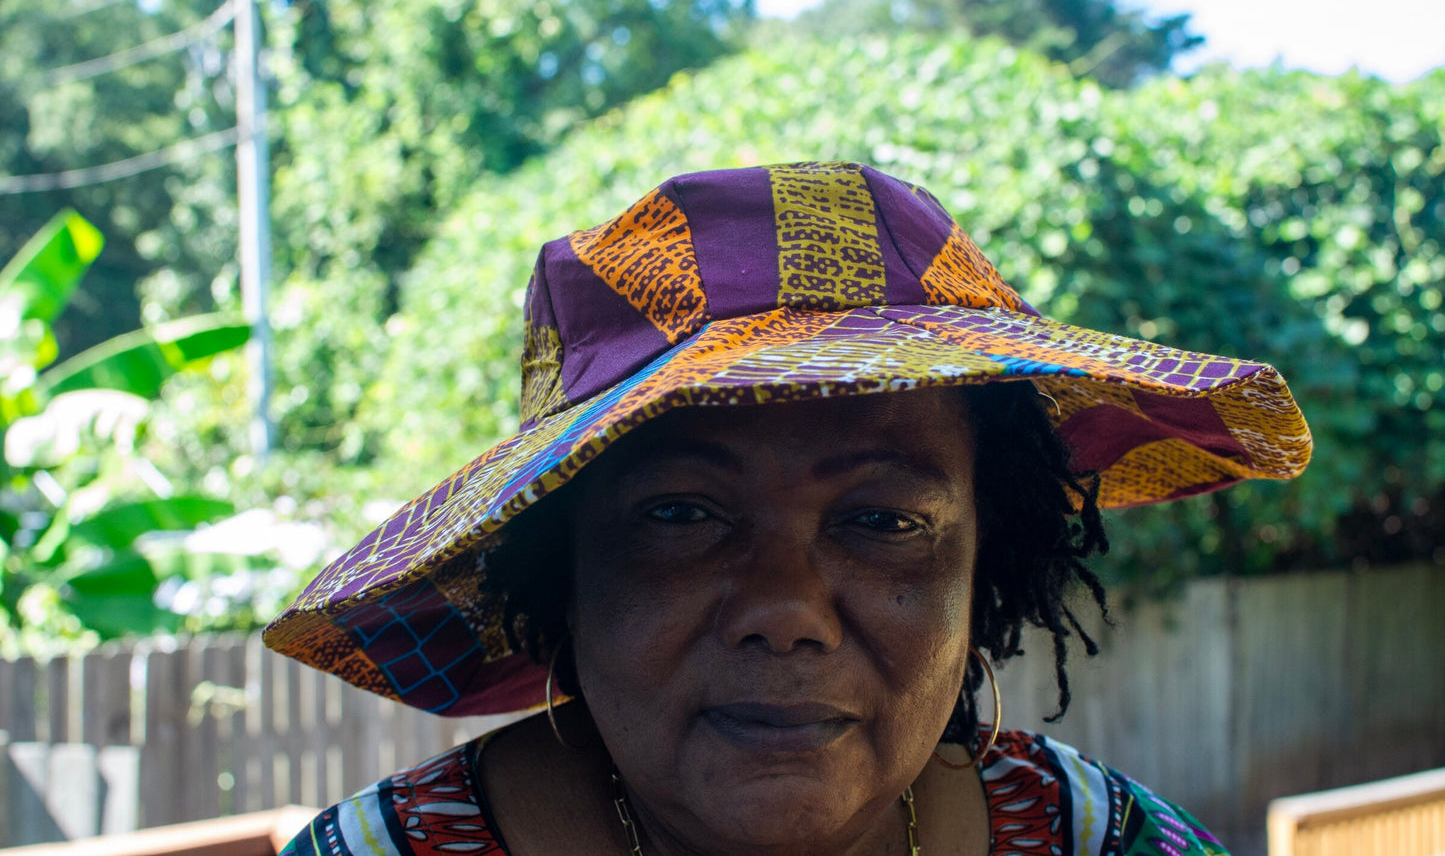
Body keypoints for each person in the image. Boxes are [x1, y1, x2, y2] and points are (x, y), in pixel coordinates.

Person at [265, 162, 1311, 855]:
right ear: (560, 572)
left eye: (882, 521)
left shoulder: (1100, 840)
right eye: (679, 515)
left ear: (984, 567)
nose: (786, 611)